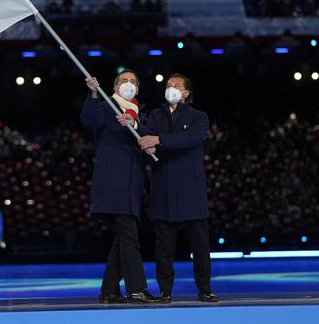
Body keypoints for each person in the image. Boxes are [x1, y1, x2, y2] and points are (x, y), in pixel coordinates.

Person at [133, 73, 218, 303]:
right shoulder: (155, 115)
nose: (171, 88)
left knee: (200, 246)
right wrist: (134, 126)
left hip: (191, 190)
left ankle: (205, 289)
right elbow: (142, 132)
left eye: (177, 86)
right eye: (169, 85)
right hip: (163, 188)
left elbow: (191, 138)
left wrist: (157, 140)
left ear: (186, 93)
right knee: (163, 248)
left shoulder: (199, 117)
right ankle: (165, 291)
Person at [81, 70, 159, 304]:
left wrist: (133, 122)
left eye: (133, 81)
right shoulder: (106, 107)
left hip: (132, 184)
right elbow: (90, 120)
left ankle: (109, 291)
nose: (128, 84)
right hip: (113, 183)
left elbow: (148, 138)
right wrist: (93, 94)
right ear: (114, 88)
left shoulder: (140, 115)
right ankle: (136, 289)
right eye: (123, 81)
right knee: (129, 237)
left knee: (123, 238)